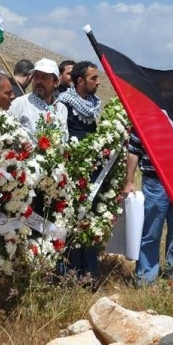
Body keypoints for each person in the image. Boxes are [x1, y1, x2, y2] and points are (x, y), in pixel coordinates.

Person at [122, 131, 173, 286]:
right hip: (155, 181)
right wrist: (129, 181)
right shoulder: (145, 120)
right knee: (151, 230)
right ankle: (147, 278)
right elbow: (134, 150)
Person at [57, 61, 101, 279]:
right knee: (72, 221)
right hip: (73, 174)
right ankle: (71, 273)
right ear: (80, 81)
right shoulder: (63, 103)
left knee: (90, 221)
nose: (98, 82)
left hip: (92, 173)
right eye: (94, 78)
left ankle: (90, 273)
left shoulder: (93, 105)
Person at [8, 58, 68, 142]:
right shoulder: (20, 103)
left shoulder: (62, 109)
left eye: (44, 77)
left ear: (56, 82)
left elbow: (64, 139)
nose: (39, 81)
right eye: (36, 77)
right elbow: (6, 133)